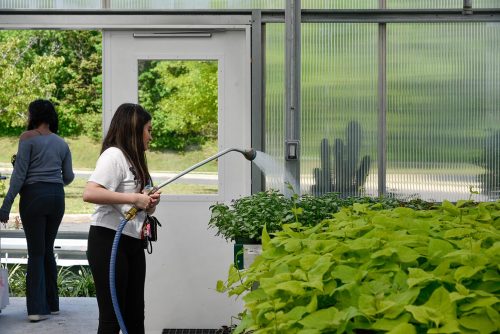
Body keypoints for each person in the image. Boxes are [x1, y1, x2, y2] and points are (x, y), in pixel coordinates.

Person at [83, 103, 161, 334]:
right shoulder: (114, 155)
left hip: (132, 242)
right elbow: (90, 192)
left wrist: (149, 203)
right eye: (148, 129)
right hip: (108, 241)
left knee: (135, 315)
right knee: (112, 318)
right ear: (134, 129)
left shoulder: (135, 160)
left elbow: (139, 203)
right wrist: (135, 199)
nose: (151, 136)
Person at [0, 99, 74, 322]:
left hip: (33, 197)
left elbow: (19, 175)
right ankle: (52, 305)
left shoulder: (27, 138)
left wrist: (5, 206)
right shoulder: (62, 143)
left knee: (35, 252)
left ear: (34, 116)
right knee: (47, 249)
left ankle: (36, 309)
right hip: (57, 198)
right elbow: (69, 177)